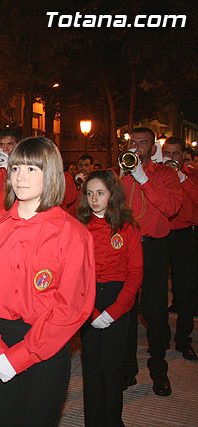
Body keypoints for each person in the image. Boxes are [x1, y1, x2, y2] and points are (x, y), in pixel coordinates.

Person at [0, 137, 95, 427]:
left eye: (32, 169)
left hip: (47, 345)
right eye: (15, 168)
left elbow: (71, 307)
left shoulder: (72, 234)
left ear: (51, 174)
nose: (21, 177)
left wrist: (20, 357)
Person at [77, 170, 143, 426]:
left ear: (112, 194)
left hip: (118, 299)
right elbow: (76, 273)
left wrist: (114, 312)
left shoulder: (128, 227)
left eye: (100, 193)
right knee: (91, 368)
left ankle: (113, 421)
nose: (94, 199)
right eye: (90, 193)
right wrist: (91, 312)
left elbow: (135, 275)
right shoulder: (80, 226)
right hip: (88, 298)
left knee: (112, 368)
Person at [121, 127, 181, 396]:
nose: (137, 148)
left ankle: (159, 369)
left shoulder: (166, 174)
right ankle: (127, 370)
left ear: (153, 148)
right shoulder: (123, 172)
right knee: (125, 309)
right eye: (133, 143)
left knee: (155, 312)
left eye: (143, 143)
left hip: (155, 247)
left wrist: (143, 178)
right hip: (125, 249)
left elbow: (171, 208)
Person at [162, 137, 198, 360]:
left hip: (184, 236)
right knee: (154, 290)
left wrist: (182, 178)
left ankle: (184, 339)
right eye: (168, 154)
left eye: (176, 154)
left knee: (185, 290)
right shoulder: (156, 174)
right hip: (160, 236)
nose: (172, 159)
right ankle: (160, 336)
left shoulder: (191, 175)